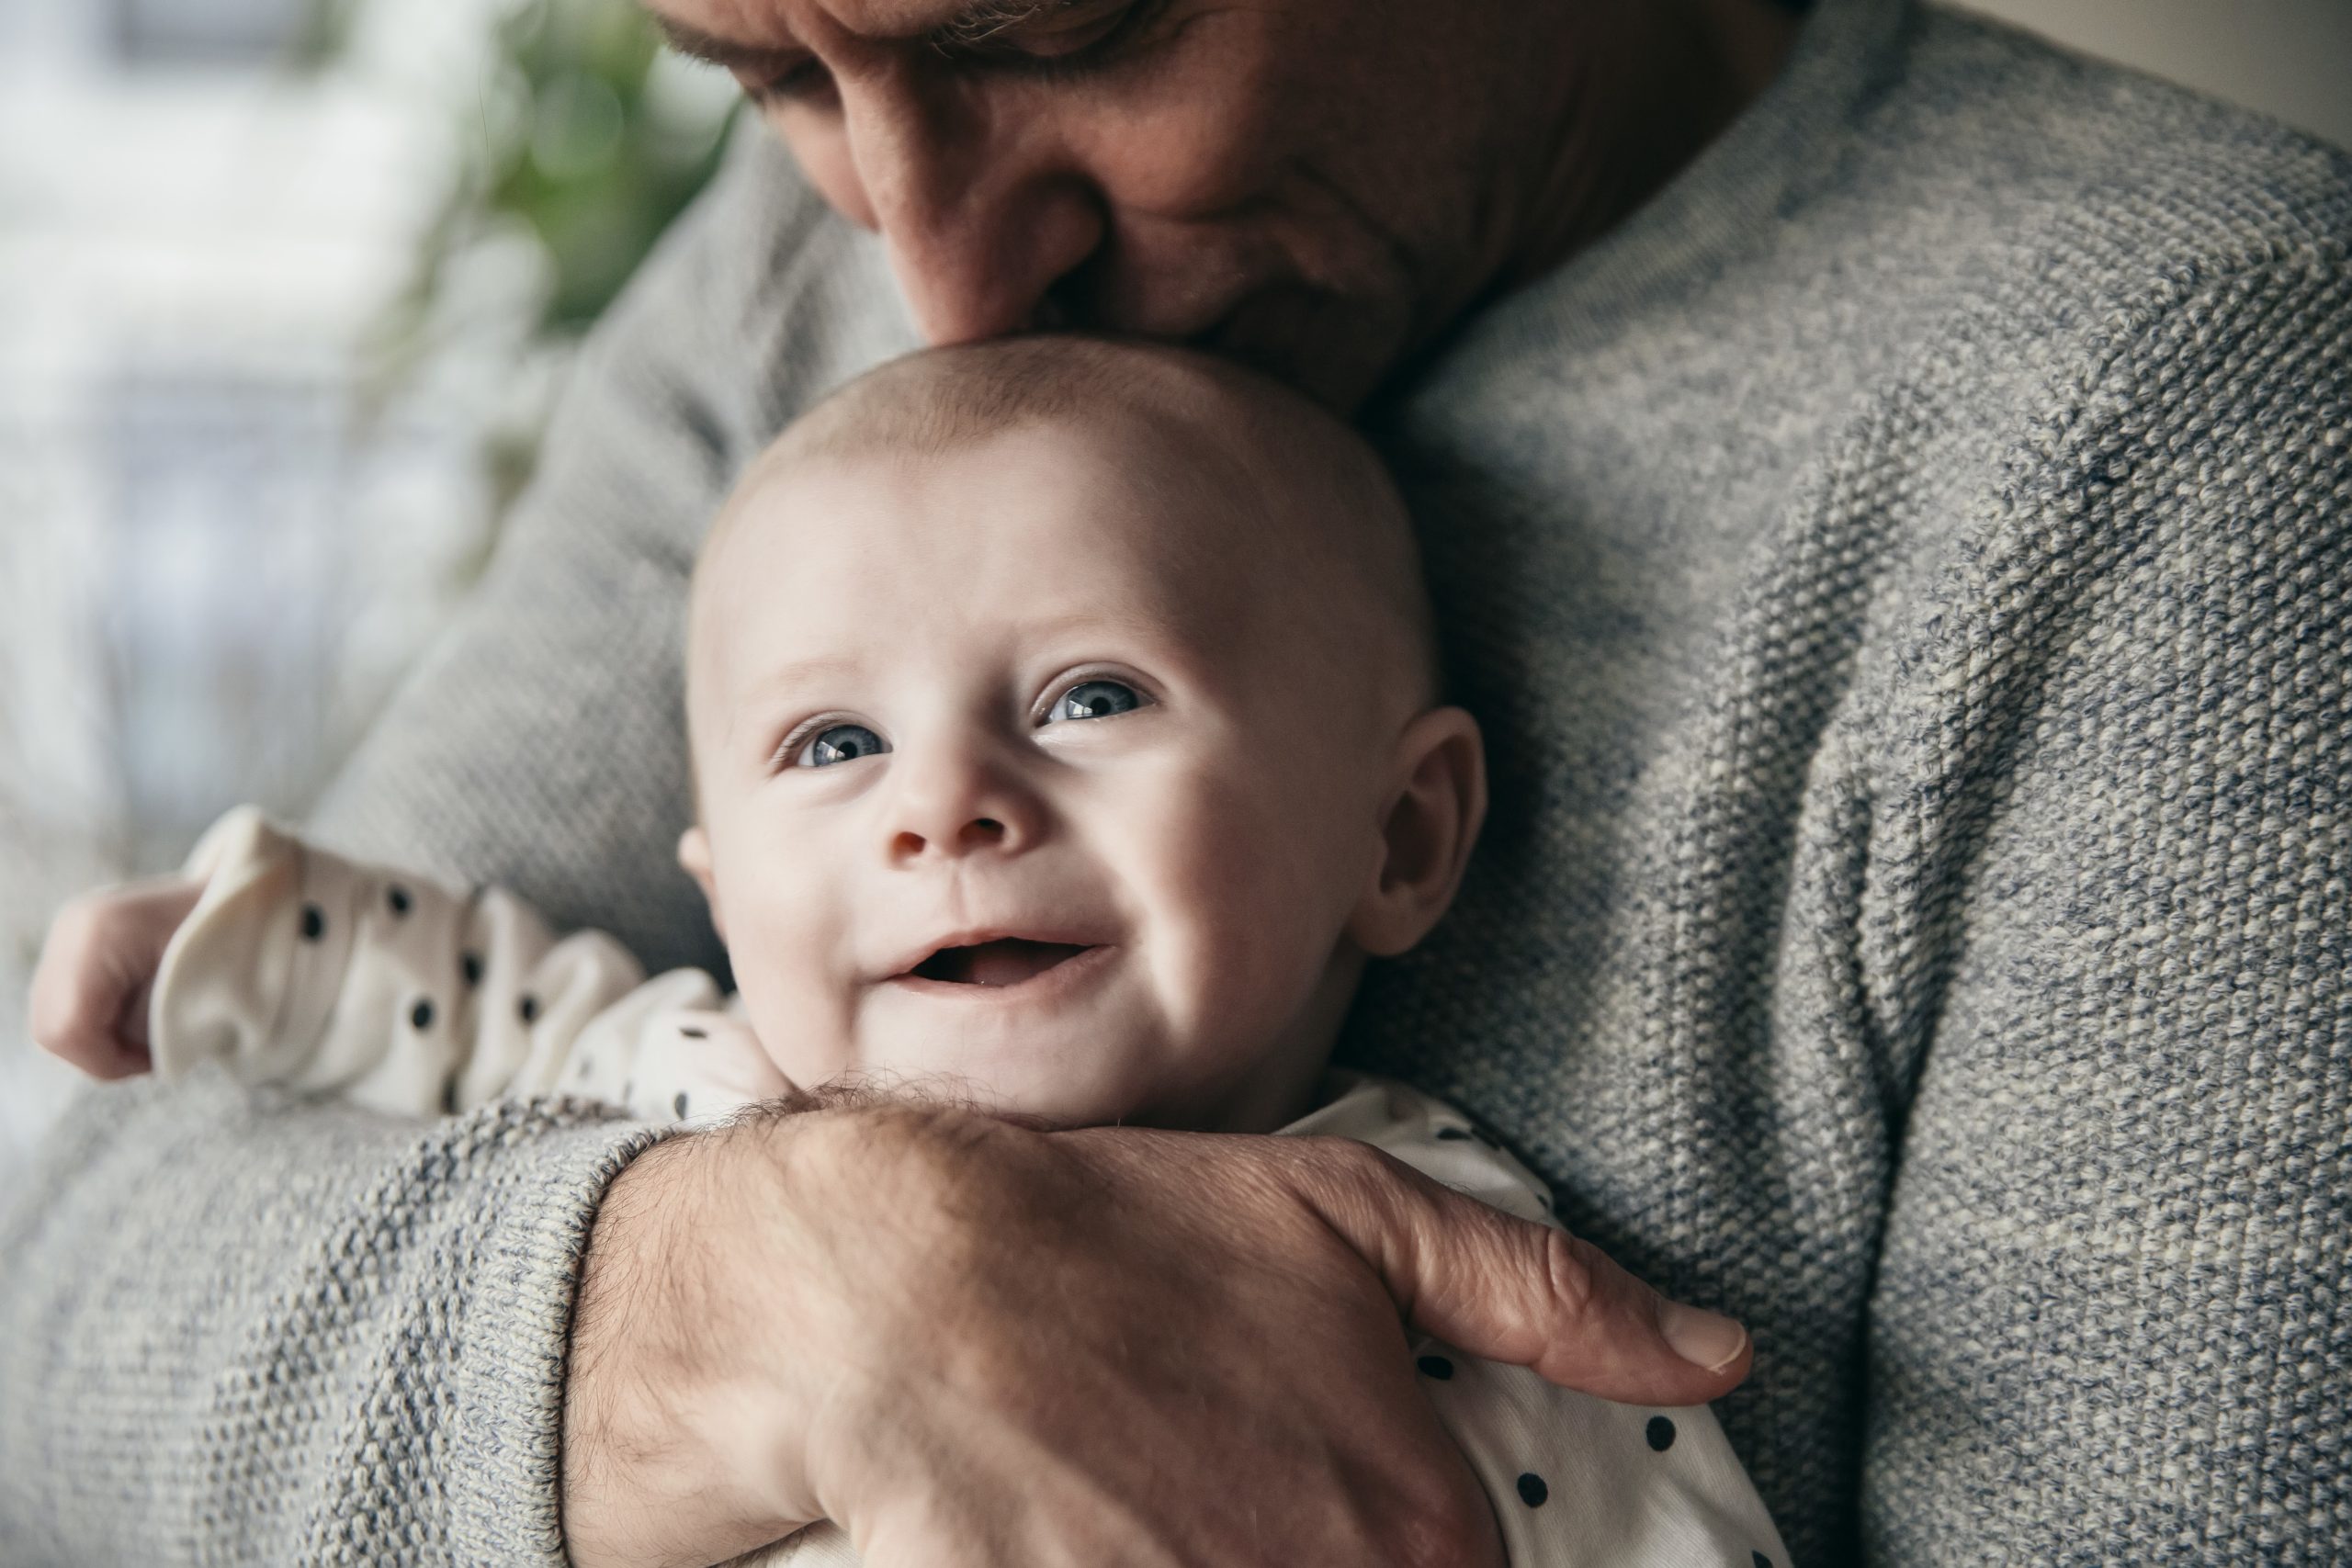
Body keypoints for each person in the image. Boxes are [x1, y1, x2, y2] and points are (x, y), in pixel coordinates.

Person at [3, 0, 2346, 1560]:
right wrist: (788, 1291)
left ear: (1408, 824)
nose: (929, 277)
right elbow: (84, 1298)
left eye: (1064, 26)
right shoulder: (779, 295)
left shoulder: (2189, 429)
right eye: (770, 79)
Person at [34, 337, 1795, 1567]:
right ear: (723, 896)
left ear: (1398, 837)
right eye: (831, 746)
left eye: (1090, 697)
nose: (943, 806)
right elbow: (474, 1001)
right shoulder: (700, 1085)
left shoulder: (1451, 1280)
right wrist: (247, 942)